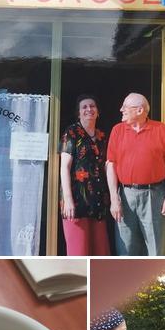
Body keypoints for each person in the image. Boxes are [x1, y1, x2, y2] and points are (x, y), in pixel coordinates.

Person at [106, 93, 165, 256]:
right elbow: (111, 165)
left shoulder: (160, 129)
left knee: (156, 248)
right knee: (125, 248)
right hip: (125, 196)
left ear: (139, 110)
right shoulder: (117, 131)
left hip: (154, 195)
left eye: (125, 107)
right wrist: (114, 199)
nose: (121, 109)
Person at [59, 94, 110, 255]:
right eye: (84, 107)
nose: (89, 109)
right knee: (78, 251)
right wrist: (68, 200)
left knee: (100, 252)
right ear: (79, 113)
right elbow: (64, 167)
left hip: (98, 201)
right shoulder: (72, 133)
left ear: (98, 111)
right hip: (76, 200)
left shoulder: (102, 136)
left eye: (92, 106)